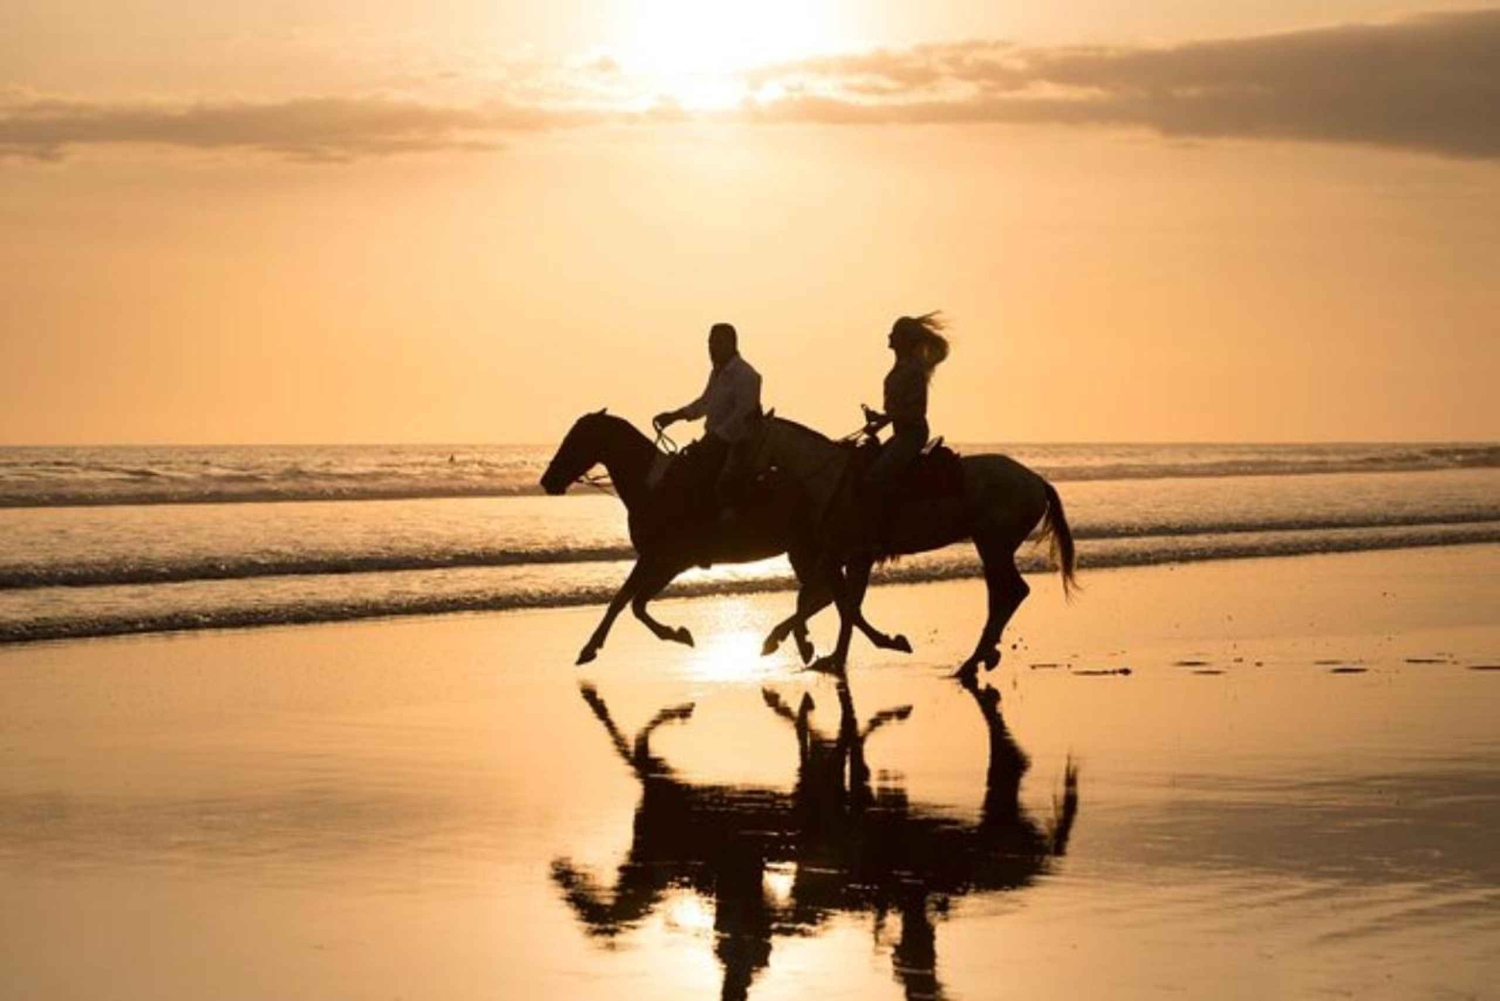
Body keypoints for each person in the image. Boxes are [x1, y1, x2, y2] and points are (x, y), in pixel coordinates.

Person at [654, 322, 763, 518]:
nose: (711, 349)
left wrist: (716, 437)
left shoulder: (747, 375)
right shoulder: (718, 373)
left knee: (713, 480)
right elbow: (704, 403)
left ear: (731, 344)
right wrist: (674, 416)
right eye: (710, 343)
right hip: (715, 442)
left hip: (736, 445)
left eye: (717, 343)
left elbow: (743, 414)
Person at [860, 312, 950, 512]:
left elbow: (915, 412)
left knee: (876, 477)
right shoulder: (902, 369)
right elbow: (896, 411)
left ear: (902, 340)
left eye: (894, 333)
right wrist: (879, 419)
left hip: (912, 436)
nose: (889, 336)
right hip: (901, 434)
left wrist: (884, 418)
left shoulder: (912, 371)